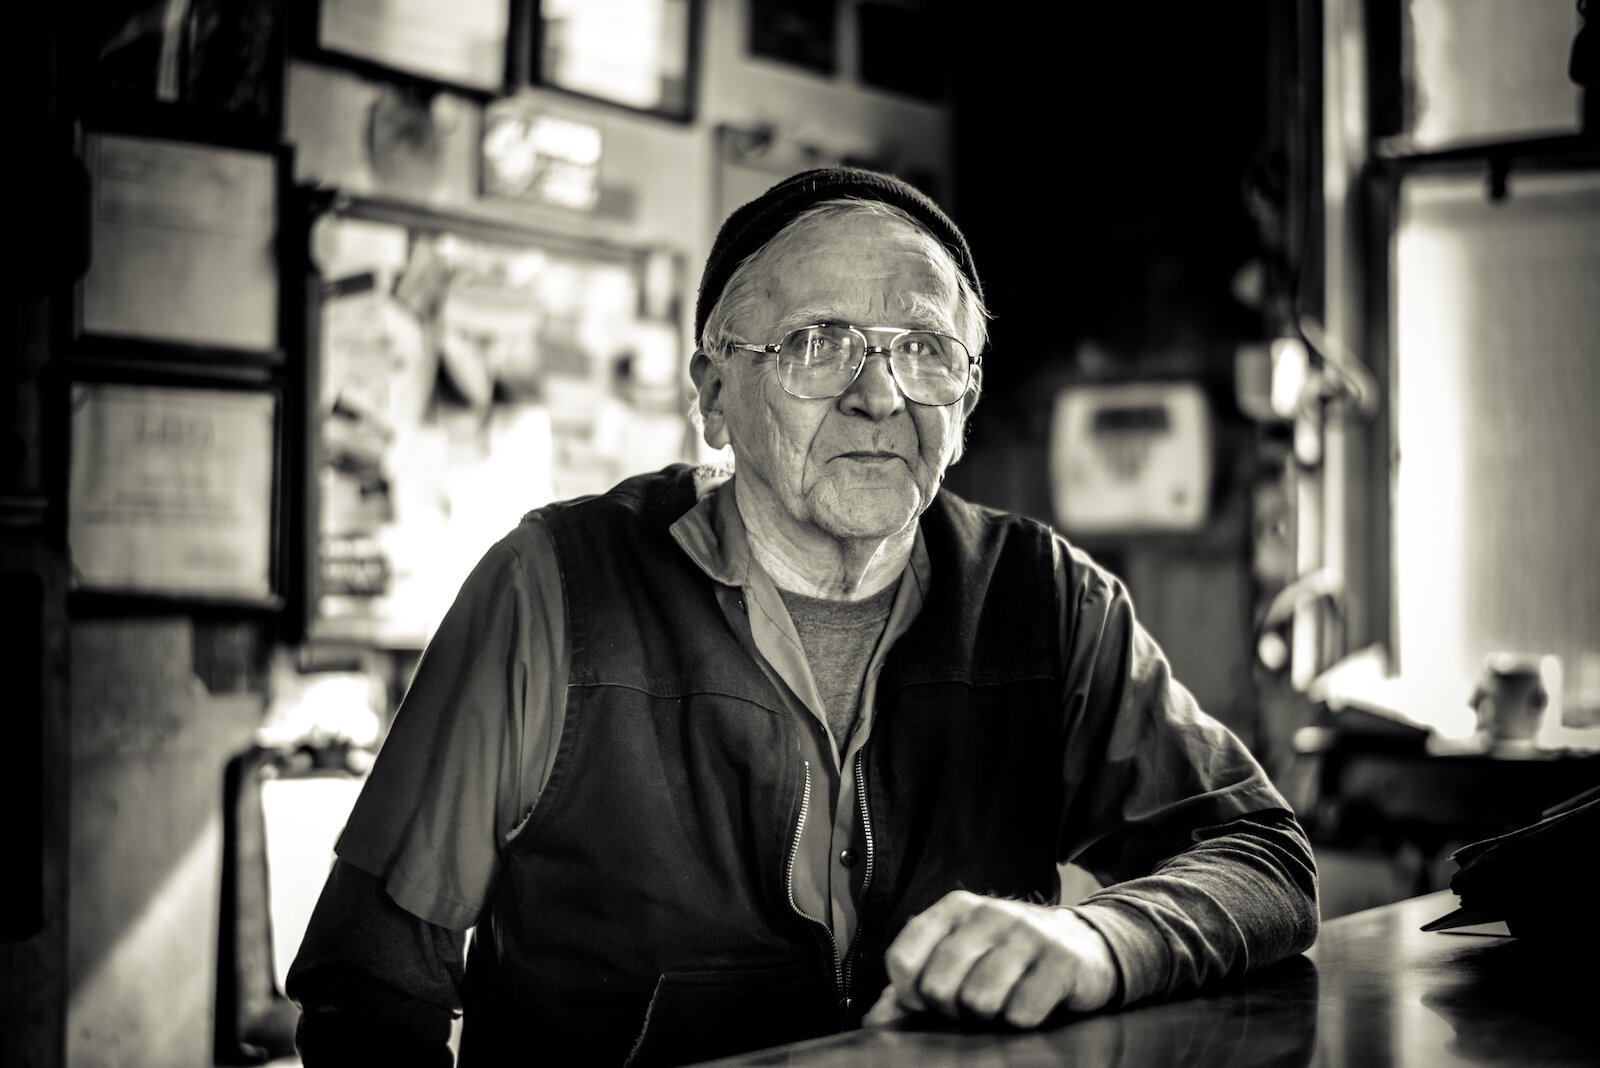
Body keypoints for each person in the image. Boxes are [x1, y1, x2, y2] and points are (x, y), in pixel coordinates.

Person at [287, 167, 1319, 1067]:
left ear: (962, 403)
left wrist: (1104, 941)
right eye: (819, 344)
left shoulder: (1042, 600)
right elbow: (369, 990)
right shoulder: (551, 588)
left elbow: (1264, 857)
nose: (880, 396)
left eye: (924, 349)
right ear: (713, 394)